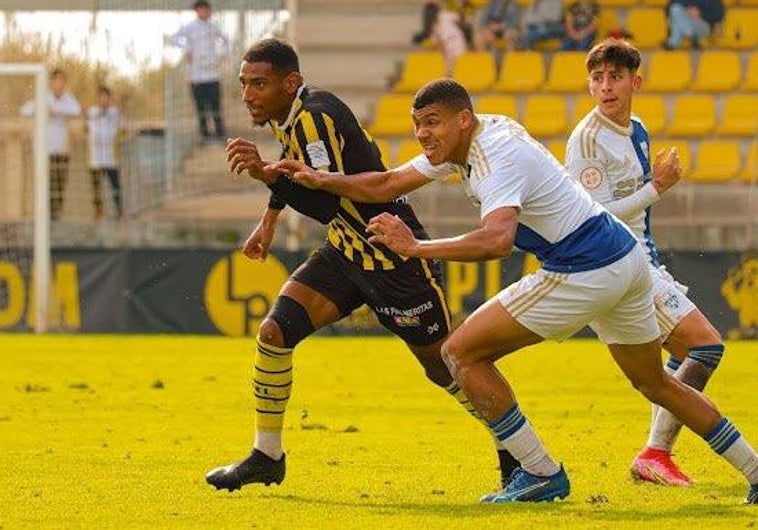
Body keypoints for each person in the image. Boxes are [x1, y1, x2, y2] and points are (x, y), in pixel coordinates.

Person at [270, 78, 758, 505]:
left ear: (464, 119)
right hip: (625, 259)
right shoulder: (478, 135)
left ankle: (541, 473)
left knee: (459, 352)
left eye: (433, 123)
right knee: (656, 383)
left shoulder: (494, 157)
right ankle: (755, 472)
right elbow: (389, 181)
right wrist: (323, 179)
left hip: (583, 266)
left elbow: (497, 241)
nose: (424, 134)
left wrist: (415, 247)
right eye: (418, 124)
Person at [204, 38, 520, 493]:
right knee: (275, 332)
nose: (248, 93)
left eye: (259, 83)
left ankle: (512, 445)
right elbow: (301, 174)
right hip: (346, 250)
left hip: (393, 252)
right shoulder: (291, 115)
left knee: (445, 365)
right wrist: (269, 220)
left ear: (290, 83)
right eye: (243, 83)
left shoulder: (315, 116)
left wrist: (264, 173)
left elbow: (330, 198)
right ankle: (267, 455)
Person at [565, 38, 729, 487]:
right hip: (615, 262)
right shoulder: (587, 139)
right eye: (597, 78)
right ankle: (656, 452)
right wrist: (657, 187)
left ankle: (655, 455)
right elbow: (591, 215)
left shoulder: (636, 129)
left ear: (635, 81)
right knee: (704, 347)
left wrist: (651, 203)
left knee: (684, 358)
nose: (605, 86)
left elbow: (632, 206)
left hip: (641, 258)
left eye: (615, 77)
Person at [20, 68, 81, 221]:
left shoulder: (68, 99)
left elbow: (77, 110)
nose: (59, 83)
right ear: (52, 82)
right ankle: (44, 216)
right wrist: (43, 109)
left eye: (62, 80)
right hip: (44, 150)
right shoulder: (43, 97)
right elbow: (24, 110)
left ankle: (55, 216)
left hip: (61, 150)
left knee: (59, 184)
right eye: (56, 80)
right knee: (45, 184)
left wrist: (55, 109)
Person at [169, 0, 229, 141]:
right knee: (201, 108)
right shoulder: (189, 27)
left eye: (205, 9)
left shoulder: (214, 27)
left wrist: (222, 56)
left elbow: (225, 41)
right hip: (196, 76)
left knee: (215, 106)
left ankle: (220, 134)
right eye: (200, 9)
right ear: (196, 11)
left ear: (209, 11)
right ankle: (205, 135)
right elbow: (174, 39)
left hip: (213, 74)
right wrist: (186, 50)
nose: (203, 12)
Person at [85, 86, 123, 221]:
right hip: (95, 156)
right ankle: (98, 213)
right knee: (96, 187)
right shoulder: (92, 112)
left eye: (106, 97)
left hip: (110, 156)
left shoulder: (115, 113)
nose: (103, 100)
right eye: (101, 97)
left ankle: (119, 212)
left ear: (109, 98)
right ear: (98, 98)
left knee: (115, 185)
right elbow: (85, 124)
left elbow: (121, 128)